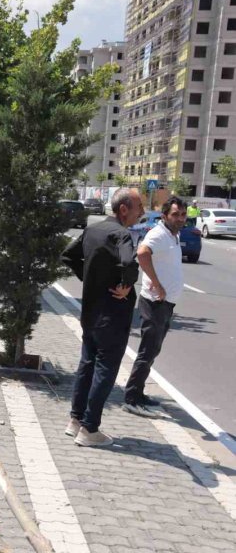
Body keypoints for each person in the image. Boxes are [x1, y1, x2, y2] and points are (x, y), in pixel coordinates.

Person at [61, 188, 144, 447]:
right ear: (123, 209)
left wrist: (89, 278)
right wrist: (126, 285)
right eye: (139, 207)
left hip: (91, 310)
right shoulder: (121, 234)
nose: (142, 213)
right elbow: (131, 263)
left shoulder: (94, 229)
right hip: (113, 314)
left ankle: (75, 420)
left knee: (87, 364)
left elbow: (68, 255)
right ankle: (89, 429)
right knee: (105, 369)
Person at [121, 196, 187, 417]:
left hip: (165, 304)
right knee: (147, 350)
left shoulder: (173, 235)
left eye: (183, 214)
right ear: (165, 215)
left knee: (152, 351)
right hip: (154, 302)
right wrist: (157, 284)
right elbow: (142, 253)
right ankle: (131, 398)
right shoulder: (159, 234)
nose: (179, 218)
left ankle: (138, 393)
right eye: (175, 214)